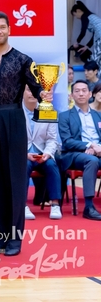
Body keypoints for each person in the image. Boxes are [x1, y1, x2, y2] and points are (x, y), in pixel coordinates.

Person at [0, 12, 49, 256]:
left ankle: (15, 240)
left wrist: (44, 94)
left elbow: (38, 88)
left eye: (2, 27)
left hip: (14, 118)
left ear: (9, 29)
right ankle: (0, 238)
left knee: (15, 182)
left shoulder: (23, 59)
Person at [58, 80, 101, 220]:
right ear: (71, 95)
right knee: (91, 160)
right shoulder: (64, 116)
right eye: (77, 91)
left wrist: (98, 148)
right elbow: (67, 141)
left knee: (93, 158)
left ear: (90, 94)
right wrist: (89, 145)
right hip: (74, 154)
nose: (81, 94)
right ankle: (89, 207)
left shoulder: (98, 115)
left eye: (84, 90)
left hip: (98, 152)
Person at [21, 85, 62, 220]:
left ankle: (55, 204)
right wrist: (24, 154)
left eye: (35, 90)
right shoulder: (16, 111)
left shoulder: (48, 110)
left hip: (42, 154)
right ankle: (22, 205)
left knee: (51, 165)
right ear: (22, 92)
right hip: (23, 155)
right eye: (29, 90)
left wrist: (47, 154)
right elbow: (11, 139)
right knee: (24, 166)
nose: (32, 93)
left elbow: (52, 139)